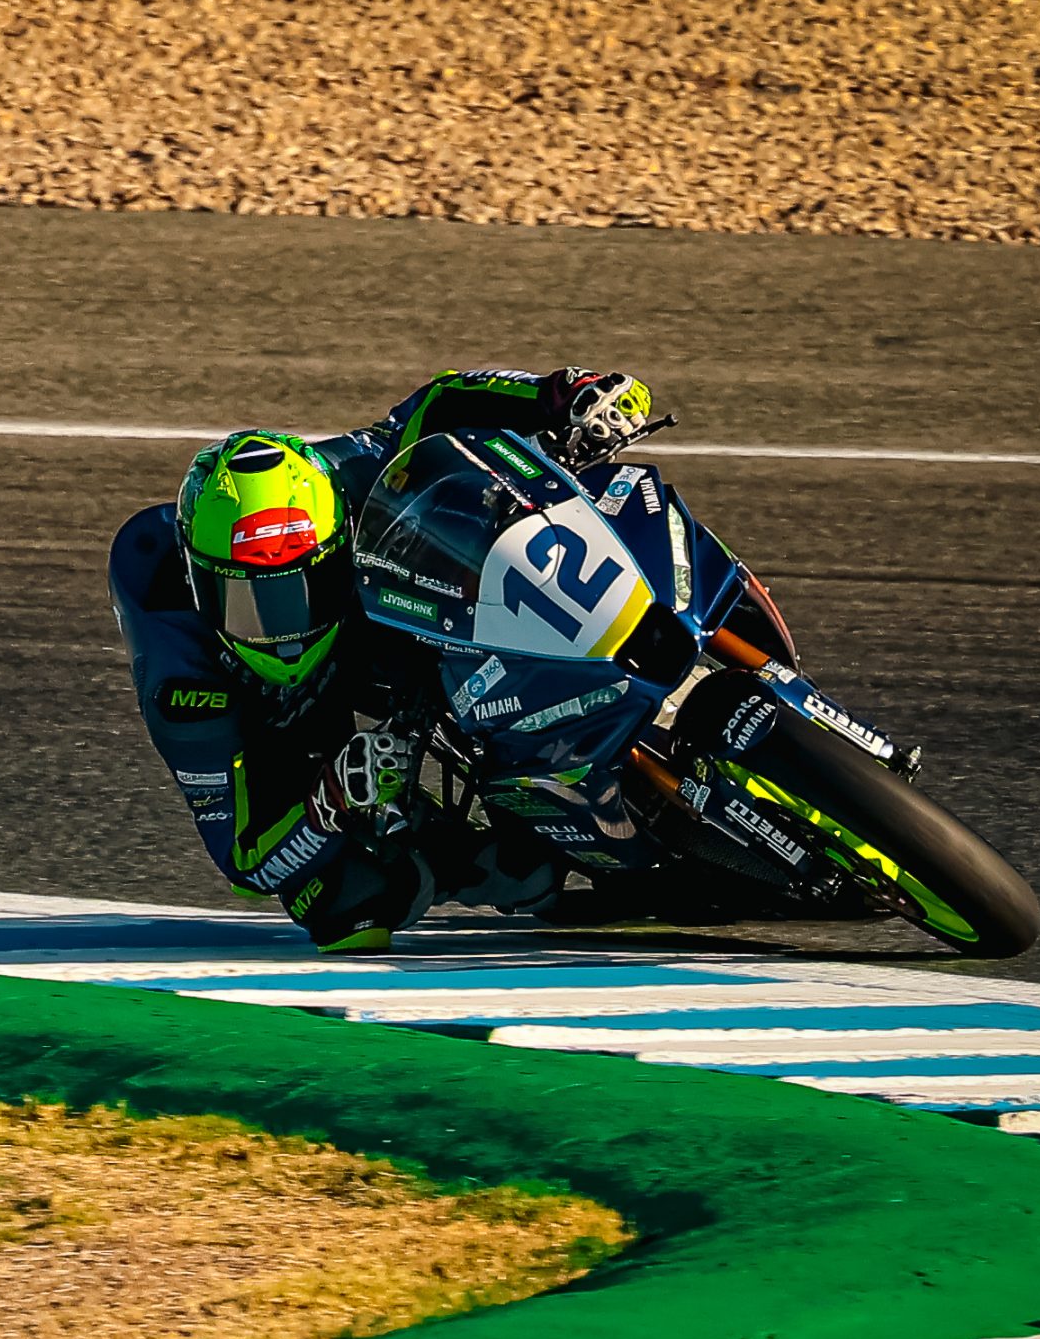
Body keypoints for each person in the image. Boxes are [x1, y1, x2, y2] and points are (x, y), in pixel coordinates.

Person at [108, 366, 656, 952]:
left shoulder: (339, 479)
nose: (284, 631)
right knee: (350, 903)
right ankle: (485, 863)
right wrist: (332, 797)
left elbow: (438, 405)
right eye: (250, 604)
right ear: (199, 584)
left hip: (367, 627)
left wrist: (558, 396)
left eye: (305, 588)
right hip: (278, 726)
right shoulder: (183, 683)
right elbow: (243, 862)